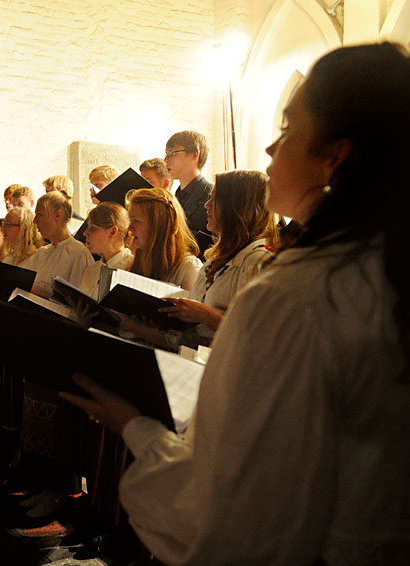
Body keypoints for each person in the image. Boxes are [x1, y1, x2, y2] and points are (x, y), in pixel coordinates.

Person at [61, 43, 410, 565]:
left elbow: (236, 502)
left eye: (290, 129)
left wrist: (134, 425)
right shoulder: (381, 268)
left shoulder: (297, 293)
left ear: (334, 156)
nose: (270, 149)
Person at [120, 170, 276, 349]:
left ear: (237, 206)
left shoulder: (258, 262)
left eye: (215, 200)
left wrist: (206, 316)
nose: (207, 205)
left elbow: (262, 337)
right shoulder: (215, 261)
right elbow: (187, 338)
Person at [126, 187, 202, 291]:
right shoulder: (134, 263)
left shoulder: (188, 269)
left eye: (136, 220)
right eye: (130, 220)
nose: (130, 228)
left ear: (160, 225)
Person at [25, 190, 93, 297]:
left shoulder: (79, 254)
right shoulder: (41, 253)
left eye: (39, 214)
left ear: (58, 215)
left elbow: (75, 301)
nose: (35, 220)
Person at [164, 130, 213, 258]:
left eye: (173, 153)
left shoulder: (211, 196)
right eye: (166, 154)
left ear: (194, 156)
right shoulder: (176, 196)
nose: (166, 160)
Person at [77, 202, 133, 298]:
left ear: (113, 231)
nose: (85, 233)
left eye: (93, 228)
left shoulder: (132, 268)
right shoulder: (92, 270)